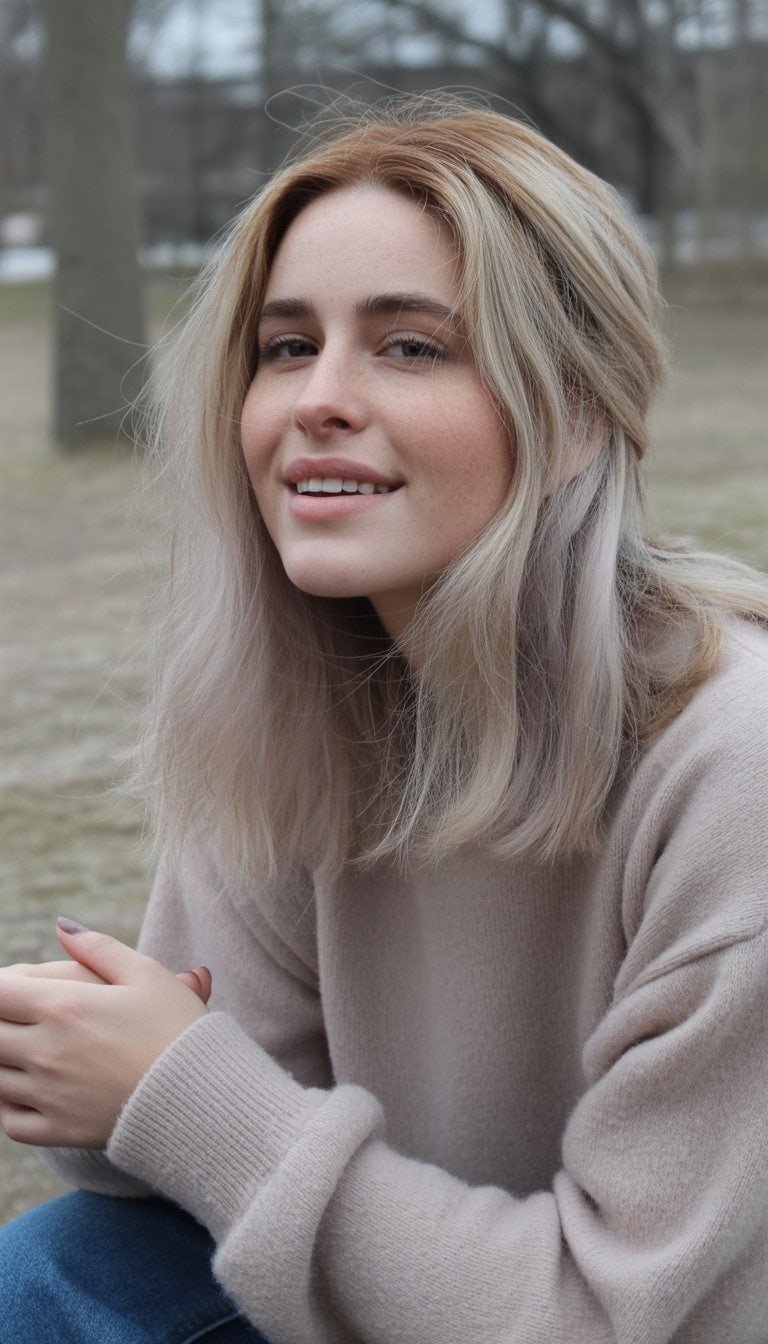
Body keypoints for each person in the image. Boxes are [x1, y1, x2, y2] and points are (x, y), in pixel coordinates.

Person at [1, 95, 768, 1344]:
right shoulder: (292, 701)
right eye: (286, 346)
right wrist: (91, 1064)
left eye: (410, 347)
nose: (318, 399)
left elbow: (622, 1321)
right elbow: (191, 1159)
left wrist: (180, 1084)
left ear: (575, 413)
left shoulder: (735, 767)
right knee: (67, 1272)